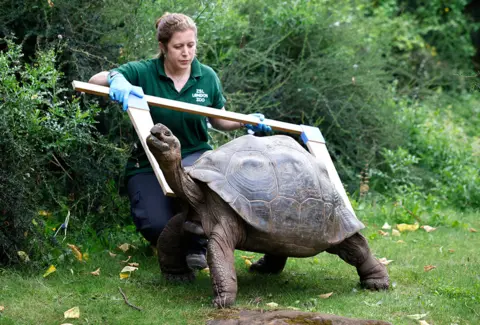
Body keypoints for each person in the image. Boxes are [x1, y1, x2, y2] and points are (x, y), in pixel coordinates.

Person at [88, 12, 271, 270]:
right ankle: (177, 243)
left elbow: (218, 119)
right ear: (163, 47)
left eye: (191, 45)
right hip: (149, 161)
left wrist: (246, 121)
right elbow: (95, 81)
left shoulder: (206, 77)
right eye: (178, 47)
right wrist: (116, 80)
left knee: (206, 205)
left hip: (196, 157)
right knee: (156, 225)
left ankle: (198, 245)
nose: (186, 53)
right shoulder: (144, 71)